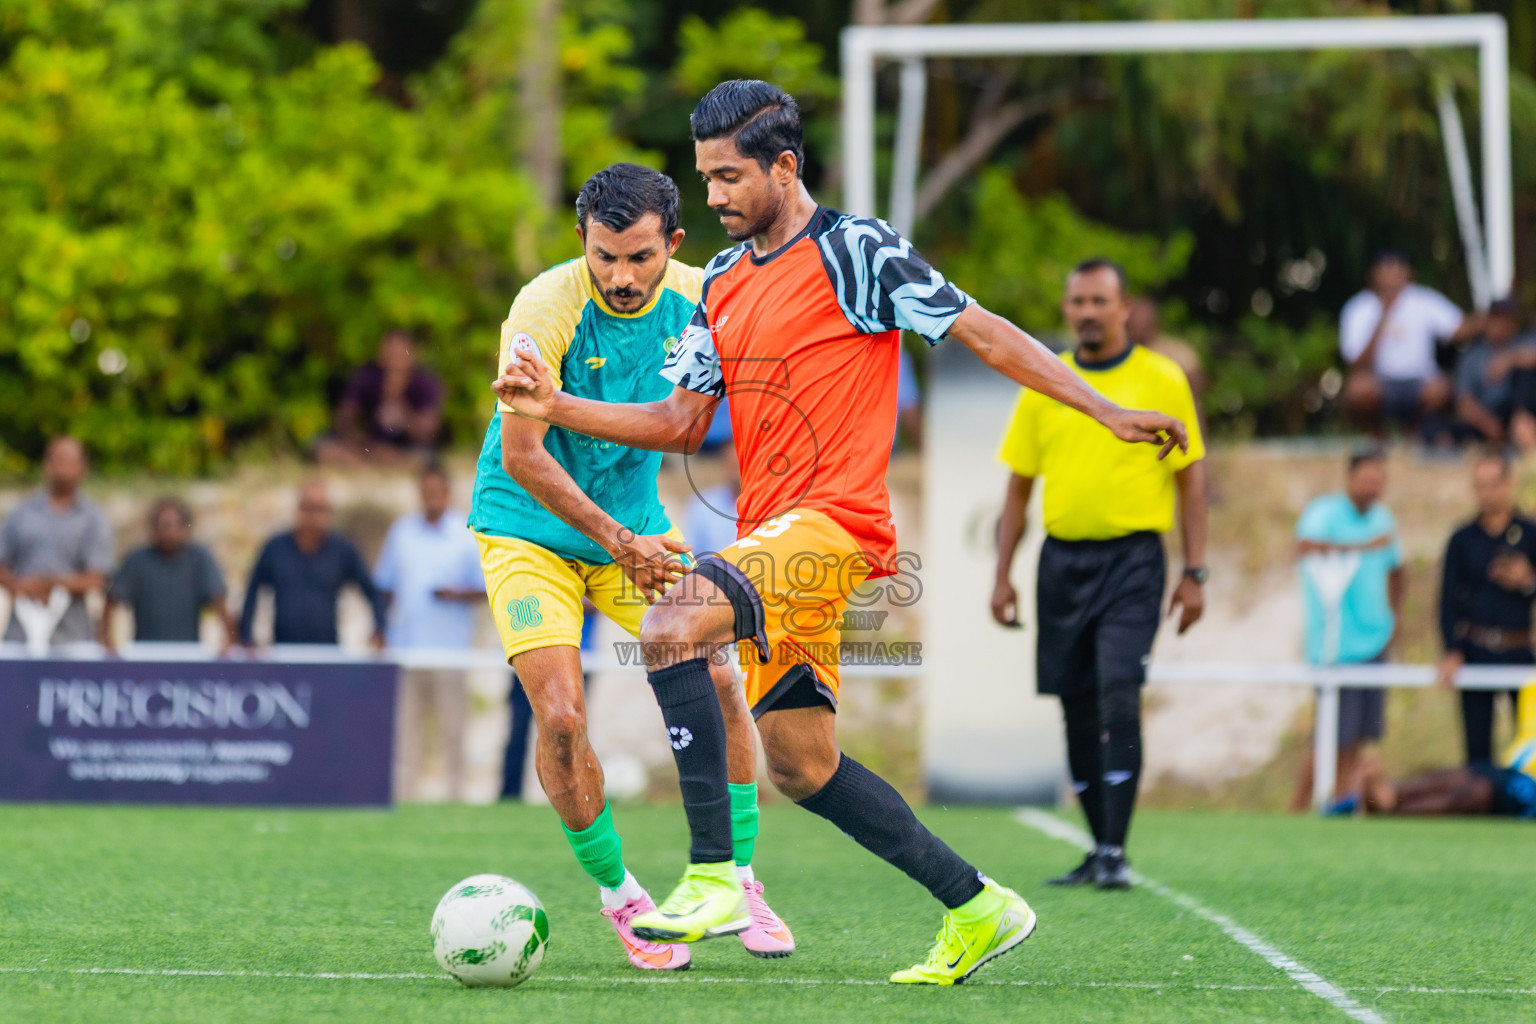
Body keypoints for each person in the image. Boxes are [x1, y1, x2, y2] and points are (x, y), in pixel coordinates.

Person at [494, 80, 1190, 985]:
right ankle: (977, 904)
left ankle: (713, 876)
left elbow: (981, 332)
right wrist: (556, 404)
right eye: (705, 181)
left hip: (836, 528)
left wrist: (1105, 408)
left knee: (670, 629)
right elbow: (675, 423)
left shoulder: (855, 250)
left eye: (731, 177)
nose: (714, 199)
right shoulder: (725, 285)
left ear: (786, 167)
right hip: (768, 538)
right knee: (801, 764)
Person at [469, 162, 793, 972]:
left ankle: (740, 880)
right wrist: (619, 541)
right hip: (528, 529)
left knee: (722, 680)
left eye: (640, 257)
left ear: (673, 245)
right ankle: (622, 898)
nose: (620, 276)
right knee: (563, 718)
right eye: (605, 255)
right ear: (582, 238)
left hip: (640, 528)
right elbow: (520, 453)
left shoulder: (705, 295)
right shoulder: (543, 307)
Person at [991, 259, 1208, 890]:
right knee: (1075, 704)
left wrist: (1195, 572)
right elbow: (1016, 491)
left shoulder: (1162, 379)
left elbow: (1192, 483)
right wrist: (1001, 576)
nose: (1086, 312)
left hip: (1133, 562)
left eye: (1098, 301)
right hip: (1061, 563)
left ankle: (1115, 848)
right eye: (1077, 302)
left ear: (1125, 307)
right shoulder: (1045, 383)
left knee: (1119, 688)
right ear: (1067, 310)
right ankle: (1098, 846)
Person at [1288, 447, 1404, 812]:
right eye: (1368, 476)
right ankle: (1296, 808)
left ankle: (1338, 803)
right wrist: (1362, 546)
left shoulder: (1384, 519)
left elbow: (1398, 569)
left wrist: (1393, 617)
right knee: (1327, 735)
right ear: (1350, 477)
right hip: (1334, 644)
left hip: (1374, 640)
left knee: (1357, 736)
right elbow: (1304, 547)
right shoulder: (1324, 513)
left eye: (1379, 478)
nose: (1374, 485)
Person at [374, 464, 485, 802]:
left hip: (451, 650)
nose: (431, 497)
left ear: (447, 493)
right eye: (426, 491)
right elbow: (385, 586)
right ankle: (405, 795)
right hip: (407, 647)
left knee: (453, 729)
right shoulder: (402, 533)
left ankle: (454, 796)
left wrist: (455, 594)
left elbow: (484, 589)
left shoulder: (465, 534)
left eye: (437, 491)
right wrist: (381, 627)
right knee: (406, 729)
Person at [1437, 452, 1536, 767]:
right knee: (1477, 748)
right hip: (1476, 648)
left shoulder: (1530, 533)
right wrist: (1452, 649)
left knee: (1529, 740)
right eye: (1480, 486)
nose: (1487, 493)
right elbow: (1447, 599)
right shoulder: (1462, 539)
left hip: (1519, 648)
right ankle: (1480, 804)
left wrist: (1528, 580)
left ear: (1508, 484)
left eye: (1493, 484)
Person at [1339, 250, 1478, 435]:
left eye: (1397, 272)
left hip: (1419, 381)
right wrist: (1382, 317)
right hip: (1379, 383)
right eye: (1385, 271)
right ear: (1373, 275)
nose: (1391, 279)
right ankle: (1377, 437)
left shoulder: (1423, 299)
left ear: (1408, 274)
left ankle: (1415, 435)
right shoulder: (1359, 307)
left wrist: (1488, 317)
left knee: (1441, 388)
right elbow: (1356, 365)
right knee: (1357, 390)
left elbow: (1459, 330)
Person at [238, 479, 386, 648]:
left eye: (323, 509)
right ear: (299, 509)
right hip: (283, 652)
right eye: (312, 508)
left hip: (327, 653)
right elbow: (252, 591)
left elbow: (372, 592)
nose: (318, 516)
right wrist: (247, 637)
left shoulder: (342, 550)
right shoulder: (275, 548)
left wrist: (378, 630)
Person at [0, 436, 113, 650]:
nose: (62, 468)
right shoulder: (21, 513)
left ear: (83, 468)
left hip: (73, 637)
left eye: (70, 461)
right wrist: (19, 586)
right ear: (46, 464)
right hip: (21, 634)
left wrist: (50, 584)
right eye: (58, 460)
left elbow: (97, 577)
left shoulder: (93, 519)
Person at [1357, 683, 1535, 819]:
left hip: (1527, 796)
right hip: (1513, 772)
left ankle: (1392, 810)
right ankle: (1391, 795)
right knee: (1463, 774)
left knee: (1479, 792)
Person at [101, 497, 236, 652]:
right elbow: (112, 599)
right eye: (162, 526)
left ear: (185, 527)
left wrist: (229, 640)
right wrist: (107, 639)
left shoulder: (199, 558)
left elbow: (219, 598)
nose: (168, 532)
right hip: (145, 652)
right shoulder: (136, 560)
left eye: (173, 525)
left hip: (187, 652)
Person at [315, 328, 444, 466]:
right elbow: (344, 419)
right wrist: (364, 442)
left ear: (412, 355)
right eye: (389, 354)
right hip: (370, 448)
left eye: (399, 355)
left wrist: (403, 412)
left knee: (424, 459)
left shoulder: (425, 383)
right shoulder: (367, 377)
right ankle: (364, 468)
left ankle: (375, 466)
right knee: (323, 448)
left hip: (407, 451)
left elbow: (428, 432)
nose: (393, 362)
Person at [1455, 298, 1536, 451]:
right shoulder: (1472, 355)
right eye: (1496, 319)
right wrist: (1491, 426)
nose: (1501, 325)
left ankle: (1523, 426)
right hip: (1488, 418)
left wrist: (1511, 358)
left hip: (1522, 415)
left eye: (1507, 320)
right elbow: (1464, 402)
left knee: (1526, 375)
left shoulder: (1523, 343)